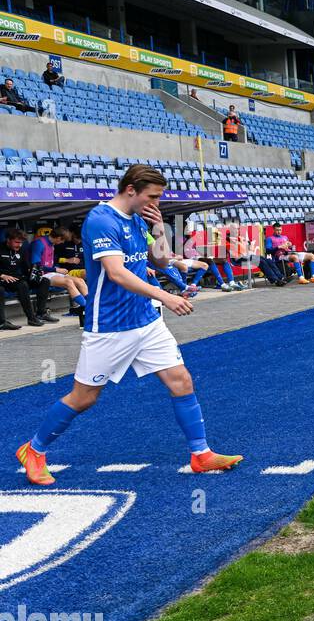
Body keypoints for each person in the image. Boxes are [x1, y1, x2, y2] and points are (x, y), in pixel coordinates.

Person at [15, 165, 243, 486]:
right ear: (131, 189)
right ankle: (34, 450)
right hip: (109, 325)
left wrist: (160, 229)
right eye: (153, 196)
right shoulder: (100, 220)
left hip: (145, 321)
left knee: (181, 381)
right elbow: (117, 273)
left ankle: (201, 454)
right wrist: (165, 295)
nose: (156, 201)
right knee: (84, 398)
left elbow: (161, 261)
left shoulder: (139, 219)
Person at [28, 227, 88, 320]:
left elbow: (52, 261)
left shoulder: (52, 243)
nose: (63, 243)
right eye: (63, 240)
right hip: (40, 274)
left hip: (51, 272)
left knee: (79, 280)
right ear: (59, 238)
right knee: (68, 282)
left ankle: (91, 305)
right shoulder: (39, 243)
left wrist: (56, 269)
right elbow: (35, 266)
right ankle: (86, 307)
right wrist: (56, 270)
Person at [1, 228, 48, 329]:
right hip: (3, 279)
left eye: (21, 242)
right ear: (8, 240)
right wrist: (2, 275)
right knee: (22, 285)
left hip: (16, 278)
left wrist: (35, 273)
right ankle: (31, 318)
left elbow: (26, 267)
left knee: (44, 281)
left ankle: (41, 313)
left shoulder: (21, 250)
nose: (19, 245)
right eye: (17, 242)